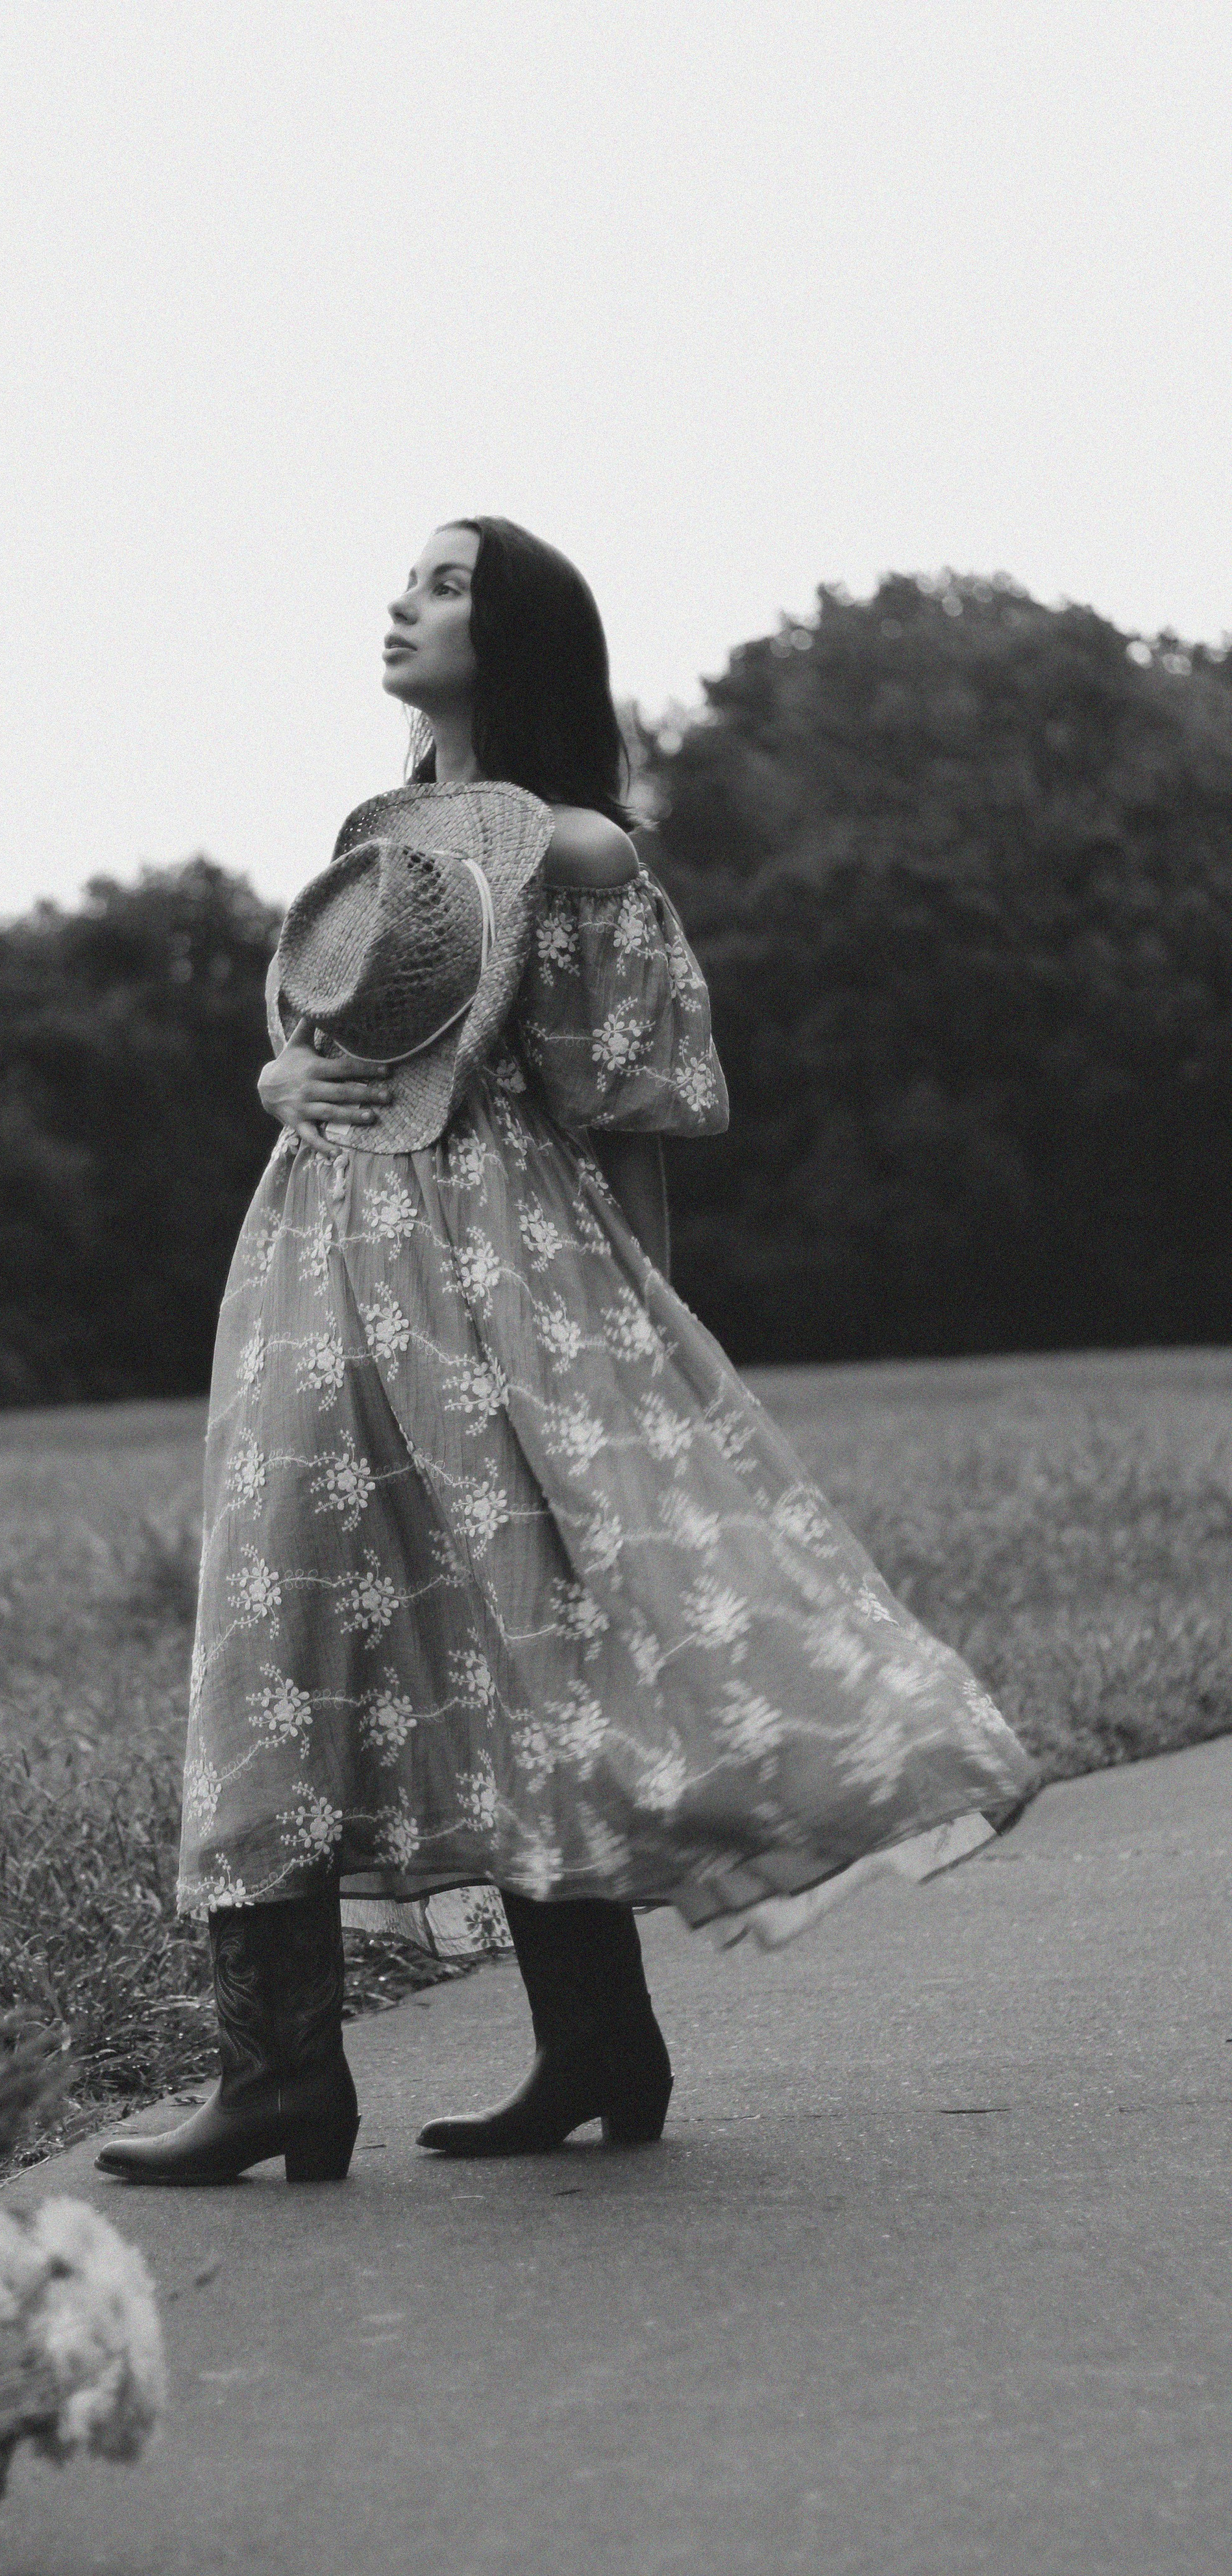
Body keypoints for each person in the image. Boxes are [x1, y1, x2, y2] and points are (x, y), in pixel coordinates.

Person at [96, 518, 1035, 2187]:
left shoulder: (587, 855)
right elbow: (337, 1051)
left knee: (512, 1632)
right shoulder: (372, 831)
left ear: (519, 635)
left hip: (500, 1277)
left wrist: (637, 1350)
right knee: (276, 1628)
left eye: (444, 582)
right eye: (408, 576)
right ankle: (283, 2076)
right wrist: (278, 1085)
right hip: (314, 1251)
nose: (401, 598)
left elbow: (631, 1114)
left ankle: (595, 2040)